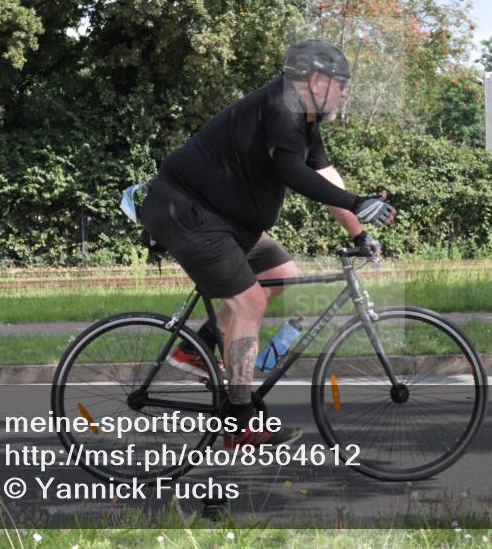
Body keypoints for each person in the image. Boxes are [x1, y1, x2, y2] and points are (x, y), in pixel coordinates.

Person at [138, 39, 396, 449]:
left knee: (281, 274)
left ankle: (197, 348)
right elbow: (291, 170)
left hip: (223, 220)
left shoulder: (304, 121)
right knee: (250, 303)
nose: (346, 92)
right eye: (341, 83)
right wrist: (355, 204)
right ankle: (239, 423)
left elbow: (329, 181)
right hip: (188, 213)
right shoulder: (283, 105)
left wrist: (360, 233)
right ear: (315, 80)